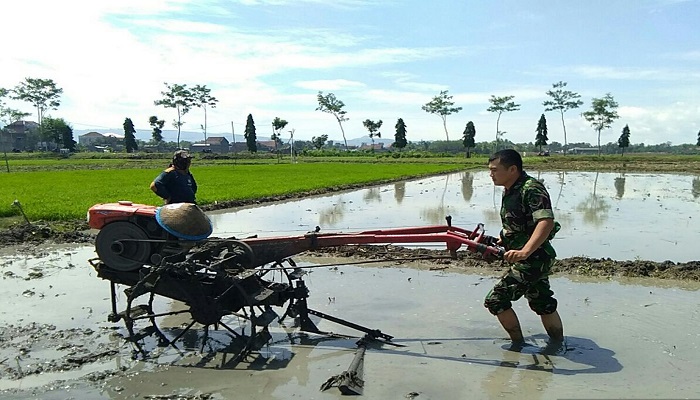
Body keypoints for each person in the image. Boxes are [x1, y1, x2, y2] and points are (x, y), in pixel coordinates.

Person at [483, 149, 563, 346]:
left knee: (496, 300)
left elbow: (546, 221)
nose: (491, 174)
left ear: (512, 169)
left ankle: (518, 346)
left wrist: (525, 251)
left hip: (533, 259)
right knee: (542, 302)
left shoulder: (531, 189)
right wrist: (503, 239)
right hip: (530, 257)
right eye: (490, 170)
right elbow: (518, 224)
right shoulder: (510, 190)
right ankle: (559, 345)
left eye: (494, 170)